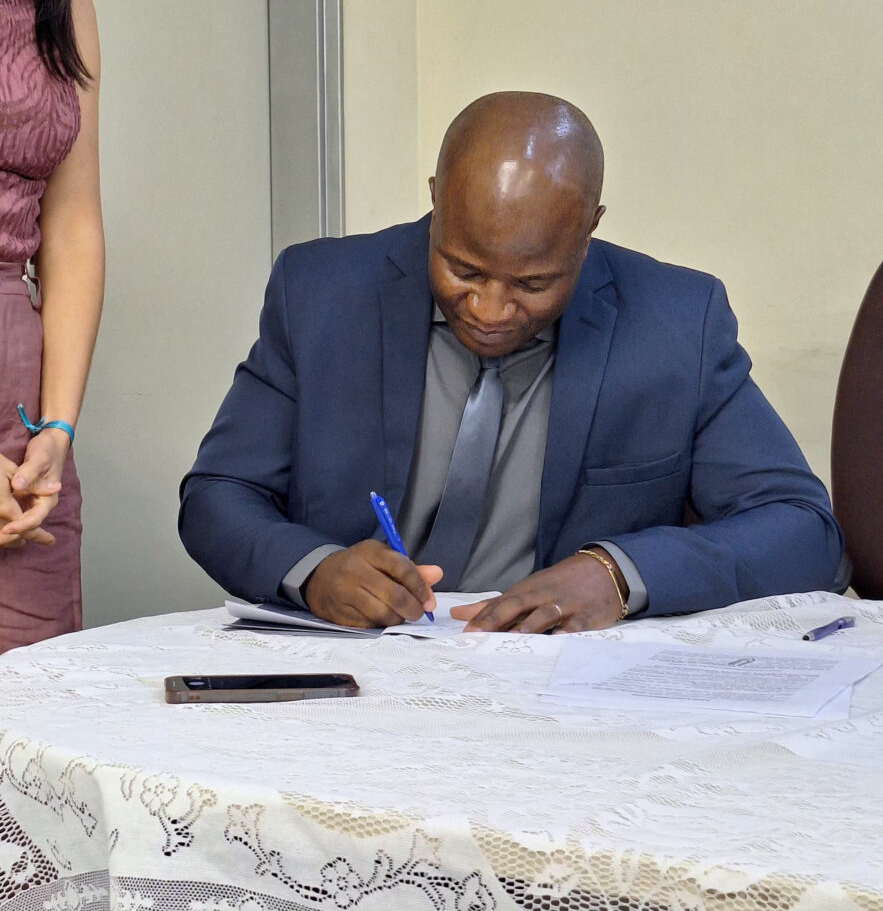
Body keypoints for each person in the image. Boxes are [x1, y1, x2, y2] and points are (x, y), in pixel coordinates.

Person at [179, 91, 841, 633]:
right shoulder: (321, 294)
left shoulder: (675, 323)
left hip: (560, 688)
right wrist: (314, 569)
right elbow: (218, 494)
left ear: (589, 228)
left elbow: (803, 529)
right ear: (436, 197)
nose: (490, 309)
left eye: (532, 283)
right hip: (356, 668)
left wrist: (617, 573)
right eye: (463, 270)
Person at [0, 0, 104, 652]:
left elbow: (71, 228)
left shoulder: (65, 5)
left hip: (22, 427)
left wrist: (57, 429)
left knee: (35, 688)